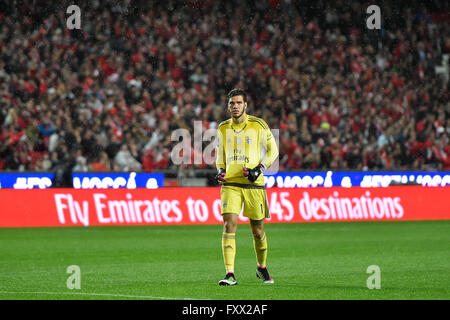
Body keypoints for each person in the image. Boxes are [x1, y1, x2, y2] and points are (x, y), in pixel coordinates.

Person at [215, 88, 279, 286]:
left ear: (245, 105)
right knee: (229, 224)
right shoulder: (222, 128)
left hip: (253, 184)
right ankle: (230, 273)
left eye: (238, 103)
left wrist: (259, 168)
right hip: (231, 184)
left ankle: (261, 267)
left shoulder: (258, 125)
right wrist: (219, 171)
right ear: (228, 106)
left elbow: (273, 151)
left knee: (257, 230)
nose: (235, 106)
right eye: (232, 103)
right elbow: (220, 155)